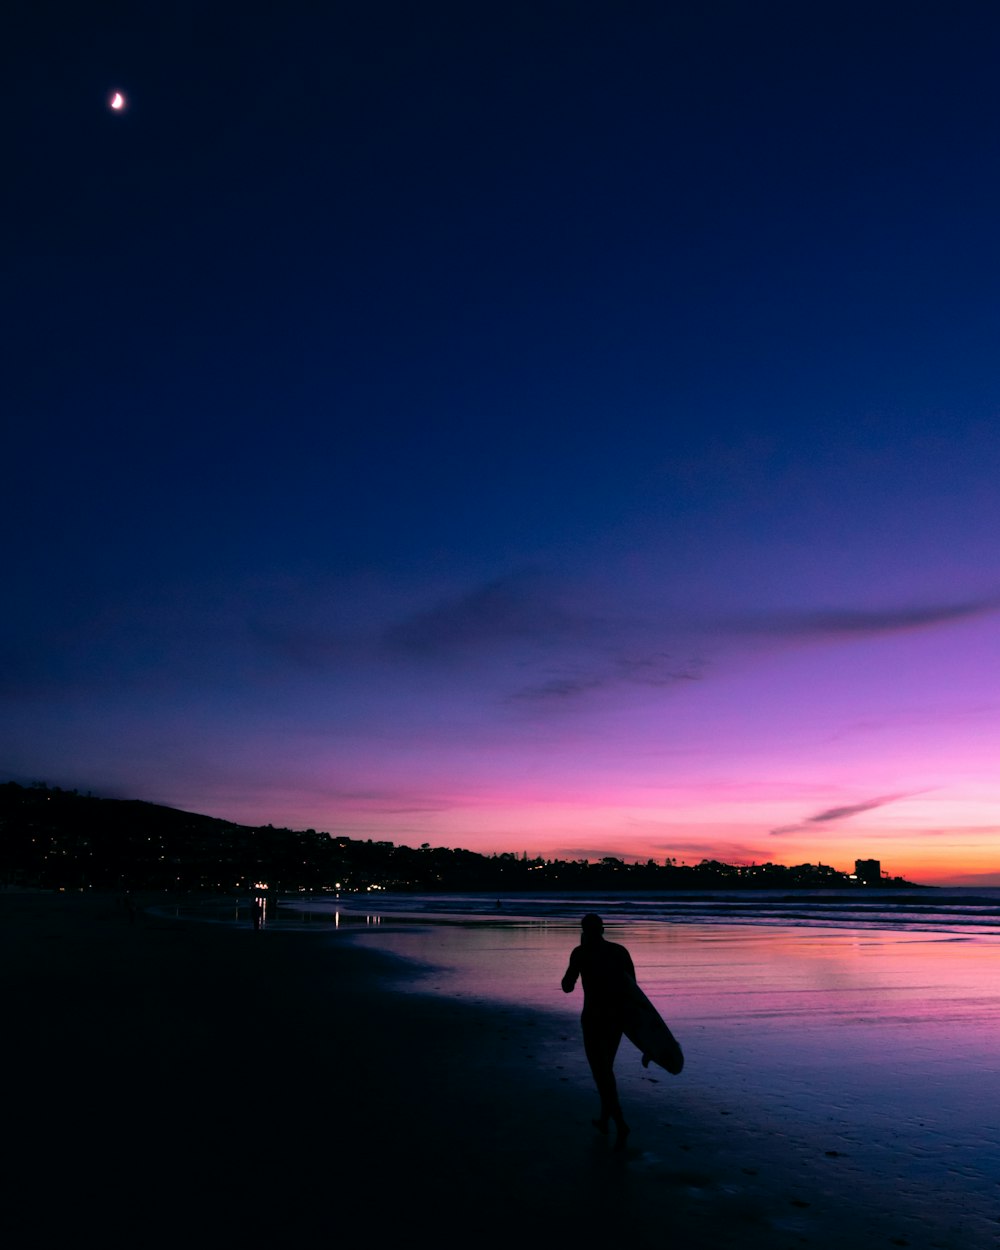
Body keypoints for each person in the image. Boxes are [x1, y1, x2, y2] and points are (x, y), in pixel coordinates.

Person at [561, 913, 635, 1148]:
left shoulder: (580, 953)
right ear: (602, 929)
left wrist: (580, 959)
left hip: (593, 1018)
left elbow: (567, 987)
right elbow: (634, 990)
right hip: (616, 1019)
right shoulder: (619, 951)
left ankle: (620, 1122)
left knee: (601, 1072)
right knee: (606, 1069)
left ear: (583, 931)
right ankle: (605, 1120)